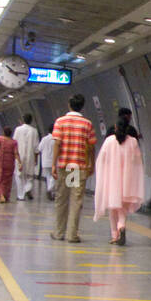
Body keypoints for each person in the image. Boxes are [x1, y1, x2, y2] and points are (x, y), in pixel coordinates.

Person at [93, 110, 145, 245]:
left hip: (111, 180)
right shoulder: (133, 141)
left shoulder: (109, 141)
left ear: (115, 128)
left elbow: (101, 160)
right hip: (127, 180)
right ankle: (121, 225)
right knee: (122, 208)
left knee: (113, 209)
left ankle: (115, 235)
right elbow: (137, 161)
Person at [51, 94, 97, 242]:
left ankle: (59, 233)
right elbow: (91, 146)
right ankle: (72, 234)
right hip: (78, 167)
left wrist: (53, 164)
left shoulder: (60, 122)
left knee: (61, 199)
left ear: (69, 105)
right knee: (76, 201)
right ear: (82, 106)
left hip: (65, 166)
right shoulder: (87, 124)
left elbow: (57, 143)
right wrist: (91, 164)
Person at [13, 113, 39, 201]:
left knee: (19, 175)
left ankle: (21, 195)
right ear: (31, 121)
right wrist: (36, 159)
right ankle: (27, 189)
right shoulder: (34, 131)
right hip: (30, 156)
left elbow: (14, 143)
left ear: (23, 120)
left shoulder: (18, 129)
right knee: (30, 176)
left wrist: (14, 155)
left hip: (19, 156)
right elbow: (36, 147)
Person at [0, 126, 18, 203]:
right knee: (8, 179)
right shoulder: (14, 142)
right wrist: (19, 163)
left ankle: (1, 195)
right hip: (10, 163)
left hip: (1, 162)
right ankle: (6, 195)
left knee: (1, 178)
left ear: (3, 132)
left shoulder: (0, 139)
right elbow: (16, 153)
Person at [37, 129, 57, 201]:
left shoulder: (44, 139)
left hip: (45, 162)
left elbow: (39, 148)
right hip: (53, 162)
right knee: (54, 177)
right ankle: (50, 190)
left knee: (48, 177)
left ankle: (52, 193)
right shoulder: (56, 140)